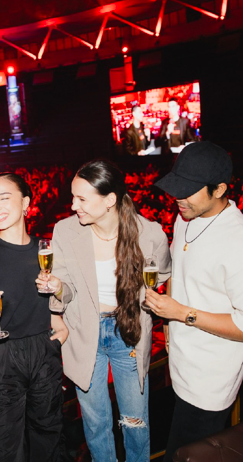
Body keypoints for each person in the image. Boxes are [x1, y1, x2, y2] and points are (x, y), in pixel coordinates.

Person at [146, 141, 243, 462]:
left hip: (208, 385)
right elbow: (181, 268)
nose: (178, 198)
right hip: (181, 368)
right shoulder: (186, 216)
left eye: (188, 190)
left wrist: (181, 313)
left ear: (219, 190)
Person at [36, 159, 171, 461]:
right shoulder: (65, 231)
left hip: (129, 332)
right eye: (73, 197)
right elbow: (66, 290)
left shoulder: (149, 234)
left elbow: (161, 276)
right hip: (86, 333)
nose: (73, 206)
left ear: (110, 200)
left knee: (135, 422)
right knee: (96, 424)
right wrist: (57, 286)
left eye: (82, 199)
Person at [0, 173, 68, 462]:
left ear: (26, 203)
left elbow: (59, 297)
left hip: (43, 351)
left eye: (4, 198)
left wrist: (57, 322)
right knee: (4, 445)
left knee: (49, 437)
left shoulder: (46, 250)